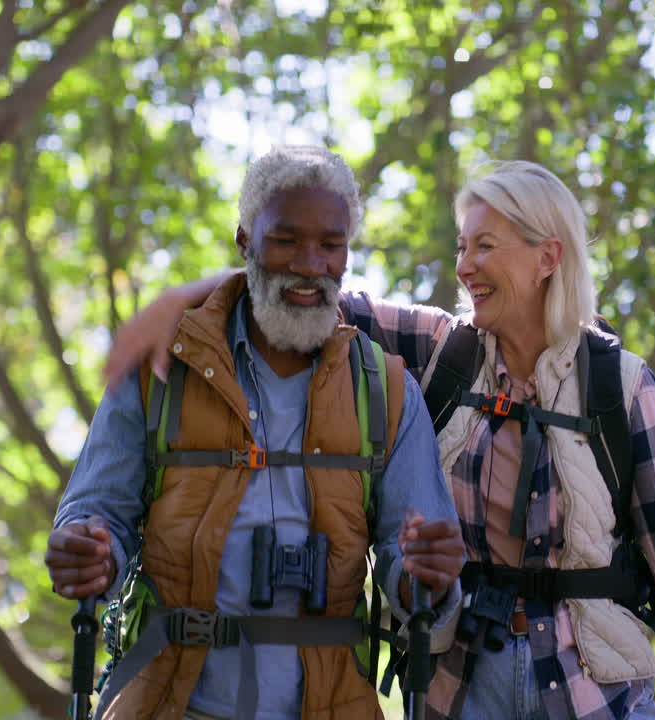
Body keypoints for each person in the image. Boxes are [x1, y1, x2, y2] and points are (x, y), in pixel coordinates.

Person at [103, 161, 655, 720]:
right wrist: (184, 297)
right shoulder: (447, 352)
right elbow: (311, 294)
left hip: (597, 691)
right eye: (462, 248)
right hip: (462, 687)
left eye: (485, 247)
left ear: (548, 255)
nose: (465, 267)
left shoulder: (623, 386)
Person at [46, 145, 466, 720]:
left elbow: (410, 570)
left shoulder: (386, 393)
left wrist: (428, 578)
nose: (310, 264)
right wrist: (89, 549)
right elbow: (98, 513)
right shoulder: (163, 372)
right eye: (286, 240)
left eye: (330, 245)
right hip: (166, 700)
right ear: (245, 243)